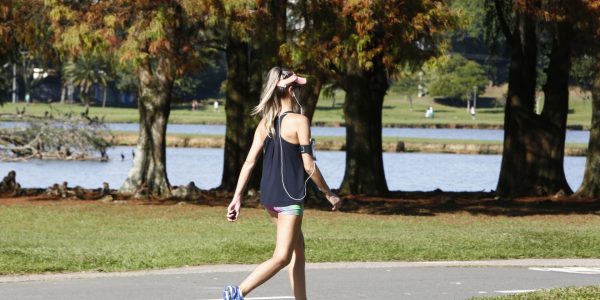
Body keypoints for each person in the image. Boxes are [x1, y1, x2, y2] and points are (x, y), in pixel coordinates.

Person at [223, 67, 342, 300]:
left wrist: (236, 198)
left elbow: (248, 163)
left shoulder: (265, 123)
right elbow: (309, 166)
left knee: (298, 251)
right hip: (290, 198)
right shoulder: (300, 121)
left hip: (270, 198)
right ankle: (237, 293)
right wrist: (329, 194)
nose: (301, 91)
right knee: (282, 257)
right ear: (288, 90)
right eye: (297, 87)